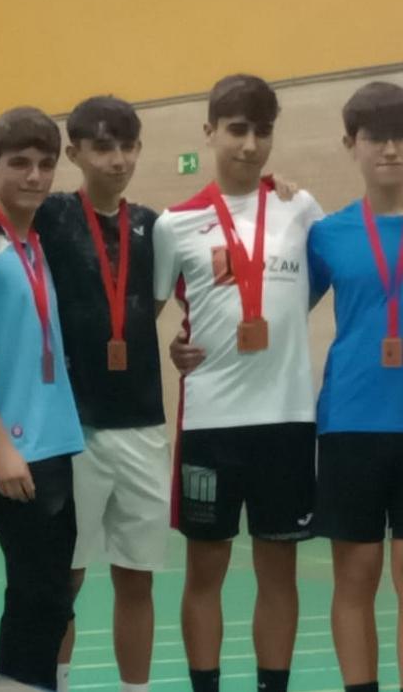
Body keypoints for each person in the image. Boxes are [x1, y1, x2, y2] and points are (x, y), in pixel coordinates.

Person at [152, 74, 323, 692]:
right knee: (206, 573)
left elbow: (326, 277)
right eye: (237, 130)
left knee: (280, 574)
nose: (251, 145)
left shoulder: (300, 208)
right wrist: (174, 345)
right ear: (209, 133)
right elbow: (150, 309)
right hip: (210, 423)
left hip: (287, 421)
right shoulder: (176, 223)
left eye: (263, 131)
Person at [31, 96, 169, 692]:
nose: (118, 160)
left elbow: (158, 307)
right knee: (67, 577)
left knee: (137, 577)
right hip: (72, 427)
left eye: (127, 146)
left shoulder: (156, 228)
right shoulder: (50, 215)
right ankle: (54, 683)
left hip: (142, 425)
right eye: (103, 147)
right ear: (76, 152)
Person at [0, 106, 85, 692]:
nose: (34, 176)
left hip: (54, 440)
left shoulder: (36, 240)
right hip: (10, 448)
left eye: (44, 165)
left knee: (50, 599)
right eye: (18, 164)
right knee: (38, 594)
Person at [307, 81, 403, 692]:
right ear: (351, 144)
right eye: (376, 138)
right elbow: (280, 315)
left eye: (400, 137)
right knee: (357, 577)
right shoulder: (329, 233)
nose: (391, 149)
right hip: (351, 424)